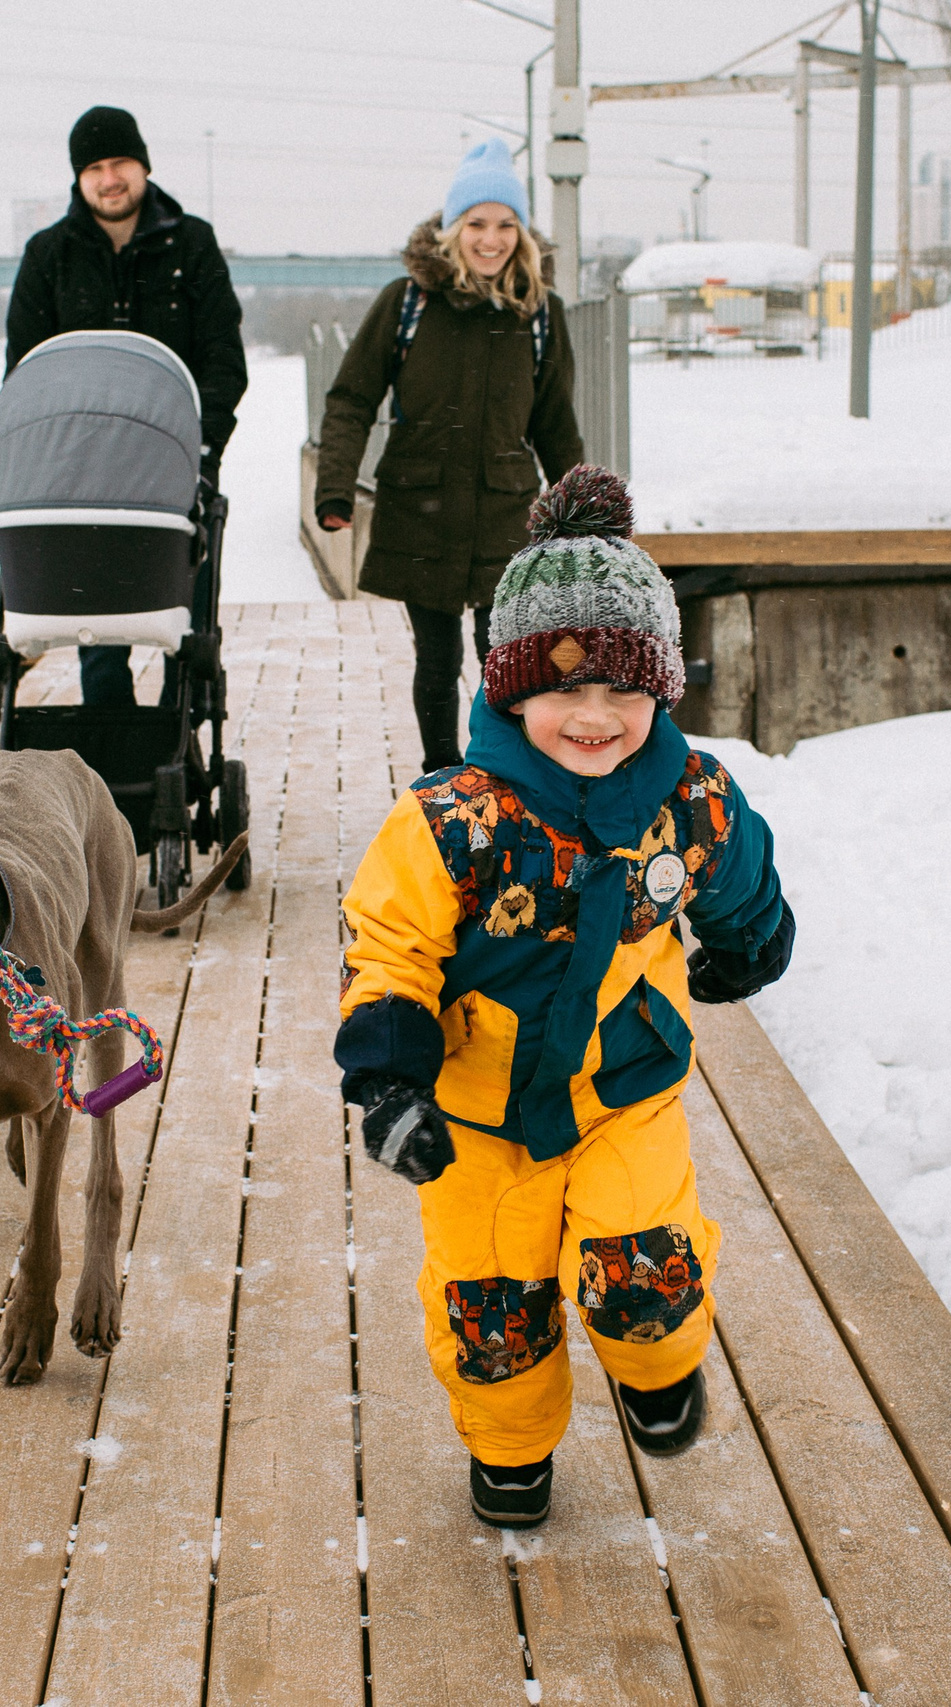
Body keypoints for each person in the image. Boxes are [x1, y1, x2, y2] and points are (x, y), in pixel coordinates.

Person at [332, 466, 797, 1530]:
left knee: (645, 1266)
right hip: (477, 1114)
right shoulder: (451, 821)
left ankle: (658, 1367)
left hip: (623, 1090)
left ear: (661, 690)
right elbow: (390, 948)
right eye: (563, 688)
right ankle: (510, 1447)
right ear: (509, 690)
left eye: (624, 690)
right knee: (491, 1304)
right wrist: (389, 1079)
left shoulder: (692, 800)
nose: (595, 716)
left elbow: (740, 877)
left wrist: (749, 944)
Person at [314, 138, 584, 774]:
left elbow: (555, 425)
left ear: (522, 234)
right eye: (476, 223)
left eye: (505, 225)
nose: (490, 240)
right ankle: (442, 779)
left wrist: (584, 517)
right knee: (436, 660)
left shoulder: (539, 314)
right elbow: (351, 398)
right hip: (421, 509)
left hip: (504, 511)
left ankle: (502, 774)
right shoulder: (407, 303)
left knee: (506, 658)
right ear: (453, 228)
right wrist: (335, 487)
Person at [7, 105, 247, 708]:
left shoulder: (191, 244)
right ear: (78, 177)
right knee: (98, 626)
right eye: (94, 168)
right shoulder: (49, 254)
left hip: (178, 461)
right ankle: (110, 733)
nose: (109, 179)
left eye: (120, 164)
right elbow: (26, 371)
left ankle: (180, 728)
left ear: (143, 166)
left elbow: (223, 356)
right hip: (82, 472)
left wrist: (203, 445)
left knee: (186, 622)